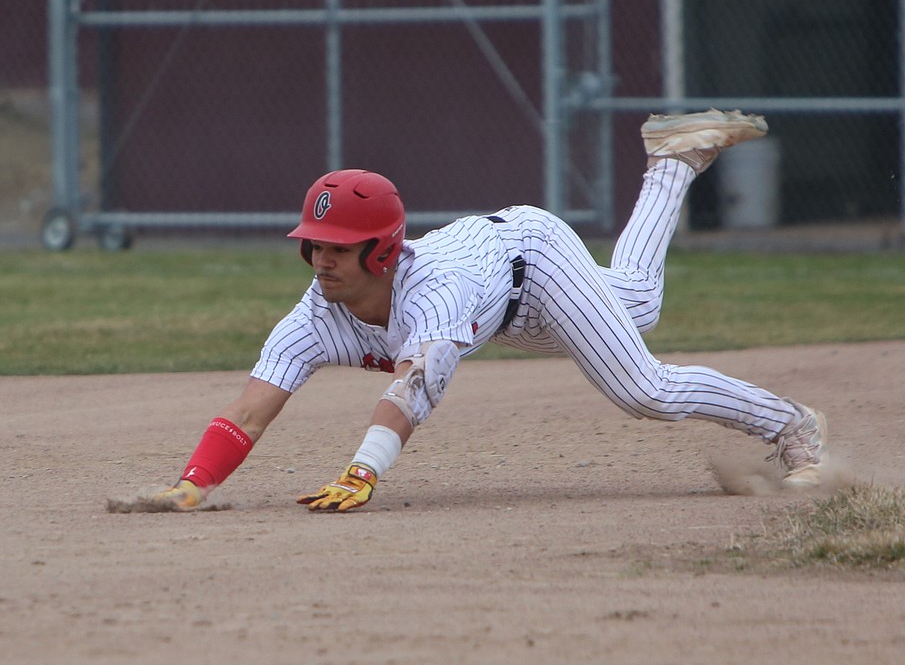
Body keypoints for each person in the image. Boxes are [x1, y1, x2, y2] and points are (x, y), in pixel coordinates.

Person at [151, 109, 828, 512]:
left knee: (641, 388)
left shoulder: (433, 295)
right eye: (313, 246)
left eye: (336, 248)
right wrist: (191, 486)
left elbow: (413, 385)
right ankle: (674, 162)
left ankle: (795, 427)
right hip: (499, 306)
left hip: (532, 260)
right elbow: (247, 411)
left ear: (382, 253)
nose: (320, 260)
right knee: (640, 300)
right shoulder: (315, 314)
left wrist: (364, 470)